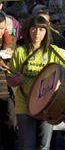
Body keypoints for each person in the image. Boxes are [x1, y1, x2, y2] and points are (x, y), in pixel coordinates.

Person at [7, 15, 65, 150]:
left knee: (44, 145)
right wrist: (14, 81)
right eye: (34, 29)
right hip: (24, 104)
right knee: (27, 145)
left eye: (41, 30)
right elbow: (10, 80)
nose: (37, 33)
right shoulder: (20, 51)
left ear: (46, 32)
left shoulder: (53, 51)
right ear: (28, 30)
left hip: (47, 105)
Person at [0, 13, 17, 149]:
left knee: (10, 125)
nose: (0, 32)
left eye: (2, 28)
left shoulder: (11, 42)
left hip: (7, 91)